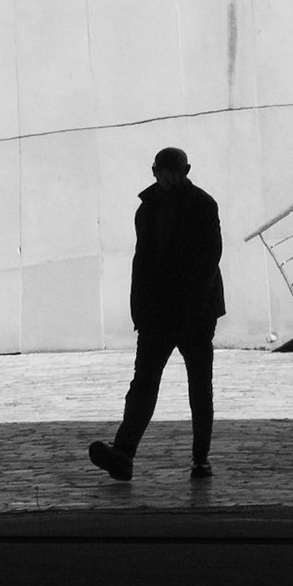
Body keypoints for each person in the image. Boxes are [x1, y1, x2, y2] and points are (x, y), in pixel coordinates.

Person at [88, 146, 224, 483]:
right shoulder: (146, 209)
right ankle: (123, 454)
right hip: (159, 314)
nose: (169, 177)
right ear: (155, 172)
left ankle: (200, 459)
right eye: (163, 171)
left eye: (174, 171)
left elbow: (208, 261)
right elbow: (143, 262)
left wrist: (195, 308)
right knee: (143, 385)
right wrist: (141, 309)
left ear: (186, 170)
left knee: (199, 387)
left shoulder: (203, 205)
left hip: (193, 313)